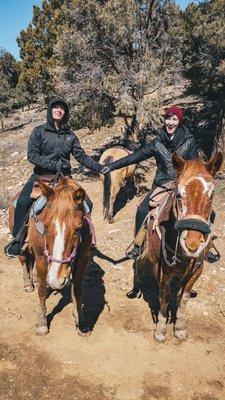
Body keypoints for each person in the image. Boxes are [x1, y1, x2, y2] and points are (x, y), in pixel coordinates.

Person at [5, 97, 109, 257]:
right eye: (56, 107)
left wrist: (99, 167)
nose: (59, 110)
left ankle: (86, 241)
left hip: (65, 179)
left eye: (62, 108)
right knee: (23, 201)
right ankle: (18, 241)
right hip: (41, 175)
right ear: (50, 110)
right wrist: (54, 166)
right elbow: (32, 155)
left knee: (87, 204)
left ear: (65, 113)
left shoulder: (71, 135)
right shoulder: (39, 131)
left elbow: (81, 157)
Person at [106, 106, 198, 259]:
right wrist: (111, 166)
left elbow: (195, 164)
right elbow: (135, 157)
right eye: (168, 118)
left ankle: (208, 246)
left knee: (207, 211)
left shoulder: (189, 141)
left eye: (174, 119)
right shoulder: (157, 143)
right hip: (162, 184)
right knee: (142, 209)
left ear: (179, 121)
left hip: (183, 185)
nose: (170, 122)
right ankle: (138, 245)